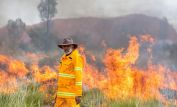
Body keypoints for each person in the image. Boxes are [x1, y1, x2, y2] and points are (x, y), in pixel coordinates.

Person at [54, 38, 84, 107]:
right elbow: (61, 77)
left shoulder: (77, 58)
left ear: (72, 47)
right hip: (60, 95)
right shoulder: (63, 58)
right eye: (64, 46)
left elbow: (79, 77)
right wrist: (56, 94)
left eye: (68, 46)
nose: (66, 48)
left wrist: (78, 94)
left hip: (71, 96)